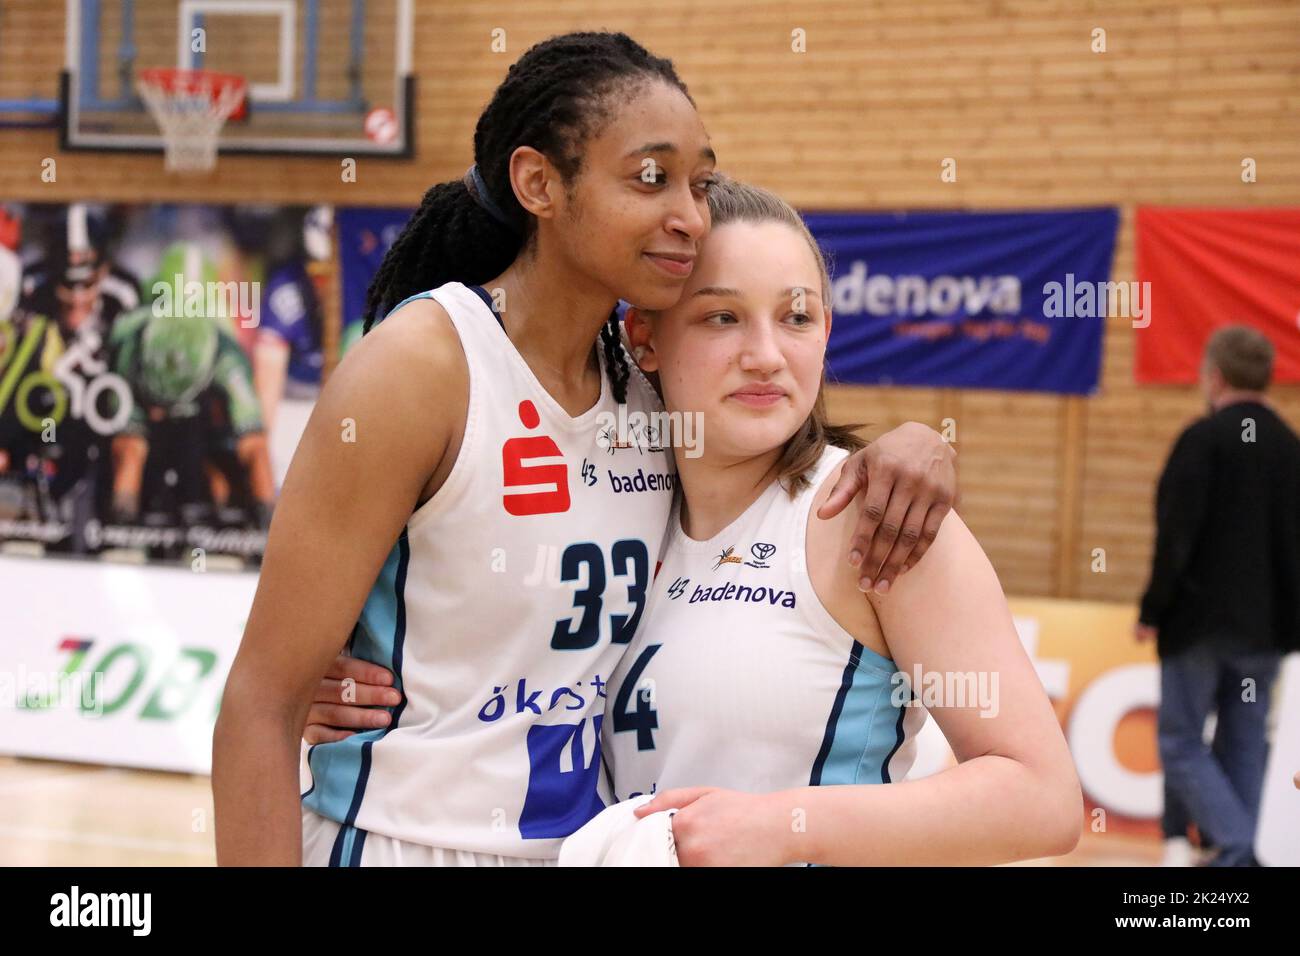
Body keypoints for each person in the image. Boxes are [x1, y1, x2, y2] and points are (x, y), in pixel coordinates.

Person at [214, 32, 956, 868]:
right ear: (540, 183)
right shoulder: (422, 364)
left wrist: (919, 443)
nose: (689, 214)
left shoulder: (644, 378)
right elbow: (261, 700)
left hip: (580, 851)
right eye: (651, 178)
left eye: (700, 183)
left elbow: (782, 424)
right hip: (398, 840)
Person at [326, 176, 1083, 866]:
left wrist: (784, 825)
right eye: (723, 316)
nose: (765, 355)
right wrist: (357, 698)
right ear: (643, 339)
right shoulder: (616, 509)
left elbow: (1041, 800)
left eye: (797, 316)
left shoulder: (873, 519)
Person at [1137, 324, 1300, 867]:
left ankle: (1236, 847)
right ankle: (1238, 855)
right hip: (1265, 634)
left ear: (1215, 376)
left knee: (1181, 742)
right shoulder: (1290, 449)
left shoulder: (1201, 441)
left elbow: (1176, 537)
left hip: (1197, 626)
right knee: (1246, 743)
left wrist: (1153, 609)